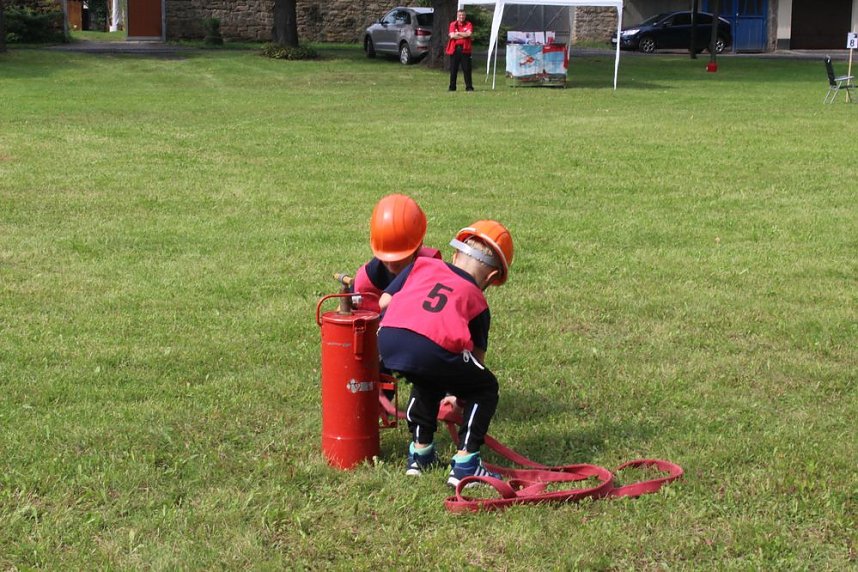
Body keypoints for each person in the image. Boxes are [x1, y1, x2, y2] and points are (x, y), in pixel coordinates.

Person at [377, 220, 514, 486]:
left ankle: (420, 453)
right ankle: (466, 464)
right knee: (485, 387)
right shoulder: (477, 299)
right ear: (491, 279)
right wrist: (456, 395)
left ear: (454, 255)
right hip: (432, 347)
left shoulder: (423, 264)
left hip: (388, 337)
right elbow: (476, 360)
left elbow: (384, 301)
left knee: (428, 378)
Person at [352, 194, 441, 314]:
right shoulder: (368, 278)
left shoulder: (432, 271)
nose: (391, 264)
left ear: (419, 245)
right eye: (385, 258)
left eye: (399, 259)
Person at [446, 9, 474, 92]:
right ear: (457, 16)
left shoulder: (468, 24)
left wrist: (458, 33)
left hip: (465, 49)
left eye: (463, 15)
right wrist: (464, 35)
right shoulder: (453, 24)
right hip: (455, 49)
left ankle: (469, 87)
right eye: (460, 15)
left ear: (465, 16)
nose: (461, 17)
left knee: (467, 69)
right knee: (453, 69)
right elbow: (452, 36)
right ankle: (452, 87)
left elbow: (469, 34)